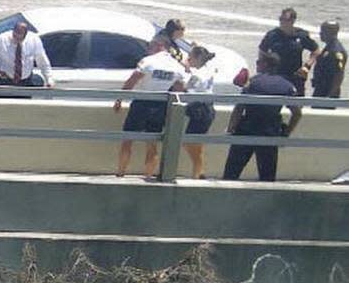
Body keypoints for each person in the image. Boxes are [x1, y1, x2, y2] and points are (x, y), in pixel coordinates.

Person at [223, 51, 302, 182]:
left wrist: (231, 128)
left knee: (231, 174)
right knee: (267, 177)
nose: (257, 65)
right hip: (270, 133)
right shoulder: (286, 86)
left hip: (246, 131)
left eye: (258, 62)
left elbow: (239, 108)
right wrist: (286, 133)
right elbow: (297, 113)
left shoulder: (253, 83)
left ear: (265, 64)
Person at [114, 35, 186, 176]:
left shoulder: (148, 61)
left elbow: (133, 80)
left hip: (142, 102)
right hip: (160, 105)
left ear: (160, 45)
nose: (148, 49)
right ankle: (148, 175)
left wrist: (119, 99)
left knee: (128, 139)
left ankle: (121, 172)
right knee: (152, 144)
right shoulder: (177, 66)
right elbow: (179, 88)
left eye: (151, 45)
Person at [259, 7, 317, 96]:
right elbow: (262, 51)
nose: (282, 22)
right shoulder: (272, 35)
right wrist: (264, 69)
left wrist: (307, 66)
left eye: (285, 20)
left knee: (296, 104)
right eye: (280, 19)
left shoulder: (301, 35)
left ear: (293, 21)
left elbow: (315, 50)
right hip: (277, 75)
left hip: (295, 76)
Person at [0, 20, 54, 89]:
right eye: (15, 35)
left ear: (25, 35)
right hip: (5, 81)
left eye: (20, 37)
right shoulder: (3, 39)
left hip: (25, 82)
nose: (17, 39)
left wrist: (49, 79)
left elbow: (42, 62)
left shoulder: (34, 40)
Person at [183, 45, 217, 179]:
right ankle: (199, 171)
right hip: (208, 108)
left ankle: (199, 169)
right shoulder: (208, 70)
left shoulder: (197, 74)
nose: (189, 59)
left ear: (197, 58)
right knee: (197, 143)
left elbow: (186, 89)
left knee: (188, 142)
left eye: (191, 56)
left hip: (199, 109)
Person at [312, 19, 345, 100]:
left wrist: (331, 95)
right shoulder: (328, 48)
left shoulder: (336, 51)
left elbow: (339, 74)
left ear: (332, 33)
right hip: (321, 89)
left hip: (327, 92)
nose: (320, 33)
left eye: (323, 31)